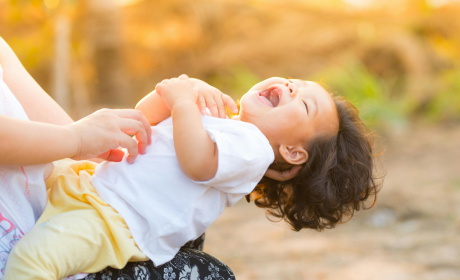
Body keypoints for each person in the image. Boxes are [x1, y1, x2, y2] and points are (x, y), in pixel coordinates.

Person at [4, 72, 380, 279]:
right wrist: (177, 91)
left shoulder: (253, 151)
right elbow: (144, 118)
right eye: (295, 82)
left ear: (293, 153)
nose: (291, 86)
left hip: (111, 221)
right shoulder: (223, 119)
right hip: (89, 186)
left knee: (33, 264)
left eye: (303, 101)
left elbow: (196, 162)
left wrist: (185, 102)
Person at [0, 37, 236, 280]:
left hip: (48, 203)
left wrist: (91, 143)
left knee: (182, 225)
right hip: (25, 252)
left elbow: (75, 137)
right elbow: (76, 137)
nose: (279, 83)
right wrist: (77, 138)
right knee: (211, 273)